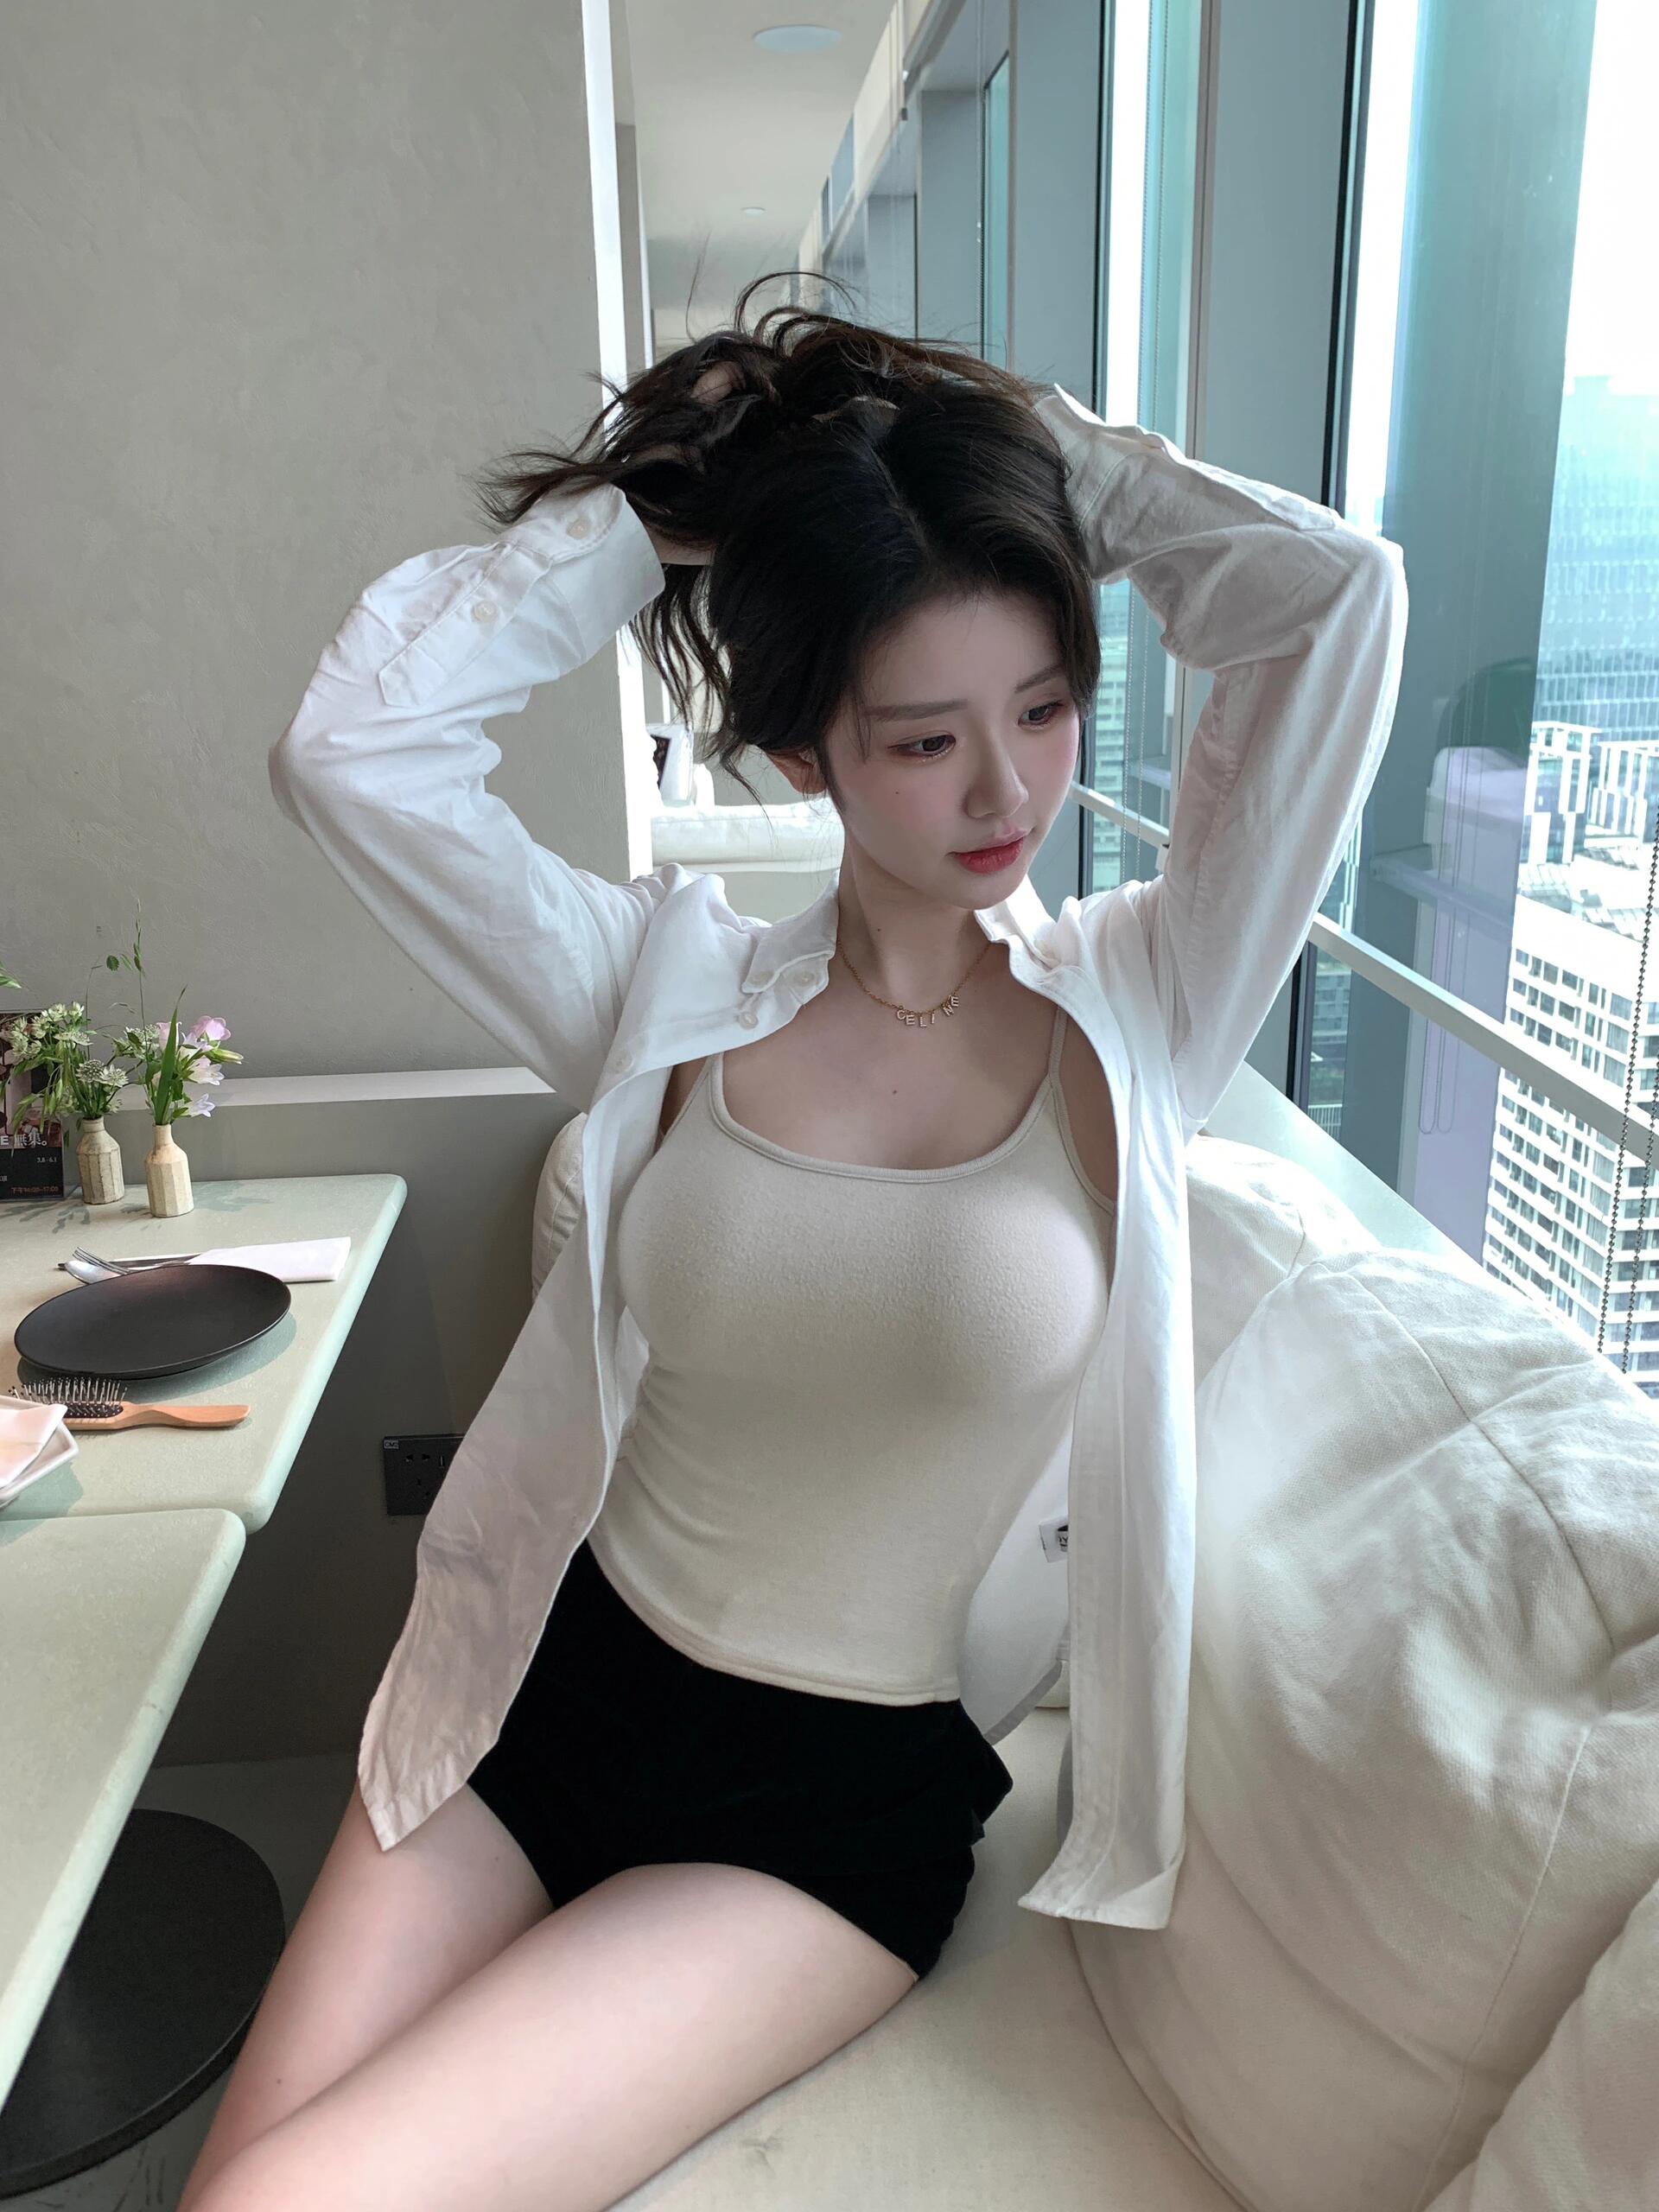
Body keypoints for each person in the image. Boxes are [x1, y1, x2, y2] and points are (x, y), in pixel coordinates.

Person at [181, 272, 1407, 2212]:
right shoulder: (661, 992)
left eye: (1044, 709)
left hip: (828, 1811)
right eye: (924, 740)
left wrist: (1008, 458)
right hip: (553, 1686)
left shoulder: (1140, 1012)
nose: (1007, 790)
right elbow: (355, 754)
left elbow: (1335, 598)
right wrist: (659, 520)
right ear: (799, 756)